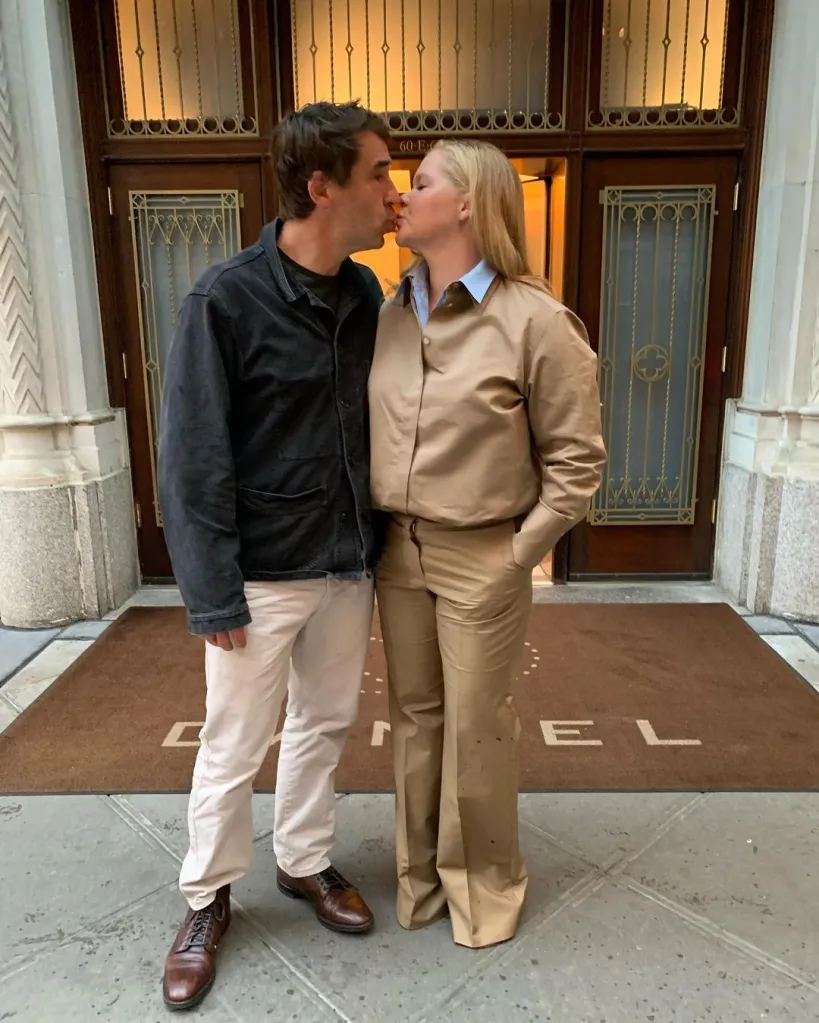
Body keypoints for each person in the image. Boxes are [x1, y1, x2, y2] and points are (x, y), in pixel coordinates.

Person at [157, 101, 399, 1011]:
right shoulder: (224, 298)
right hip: (258, 572)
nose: (392, 191)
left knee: (326, 724)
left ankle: (302, 861)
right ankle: (206, 895)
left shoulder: (364, 294)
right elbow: (191, 456)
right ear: (321, 185)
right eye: (378, 172)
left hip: (345, 558)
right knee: (233, 744)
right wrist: (211, 592)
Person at [369, 140, 607, 950]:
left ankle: (485, 890)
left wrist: (518, 551)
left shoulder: (536, 320)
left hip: (484, 552)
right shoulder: (389, 309)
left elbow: (577, 462)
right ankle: (420, 879)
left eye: (421, 180)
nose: (402, 194)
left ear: (468, 201)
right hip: (397, 551)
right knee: (413, 720)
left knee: (475, 725)